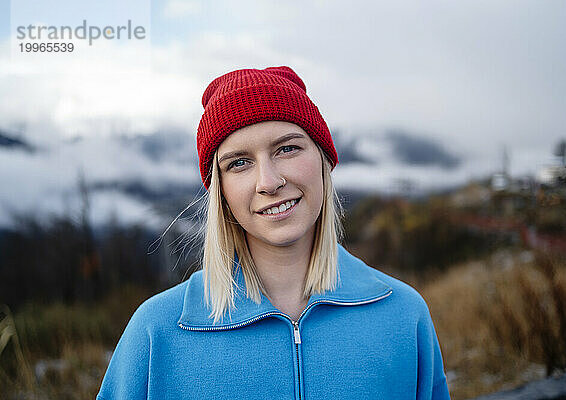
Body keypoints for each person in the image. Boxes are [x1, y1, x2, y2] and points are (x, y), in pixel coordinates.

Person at [97, 66, 451, 400]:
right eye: (239, 162)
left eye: (287, 148)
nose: (269, 182)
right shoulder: (157, 333)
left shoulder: (403, 315)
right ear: (220, 191)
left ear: (324, 160)